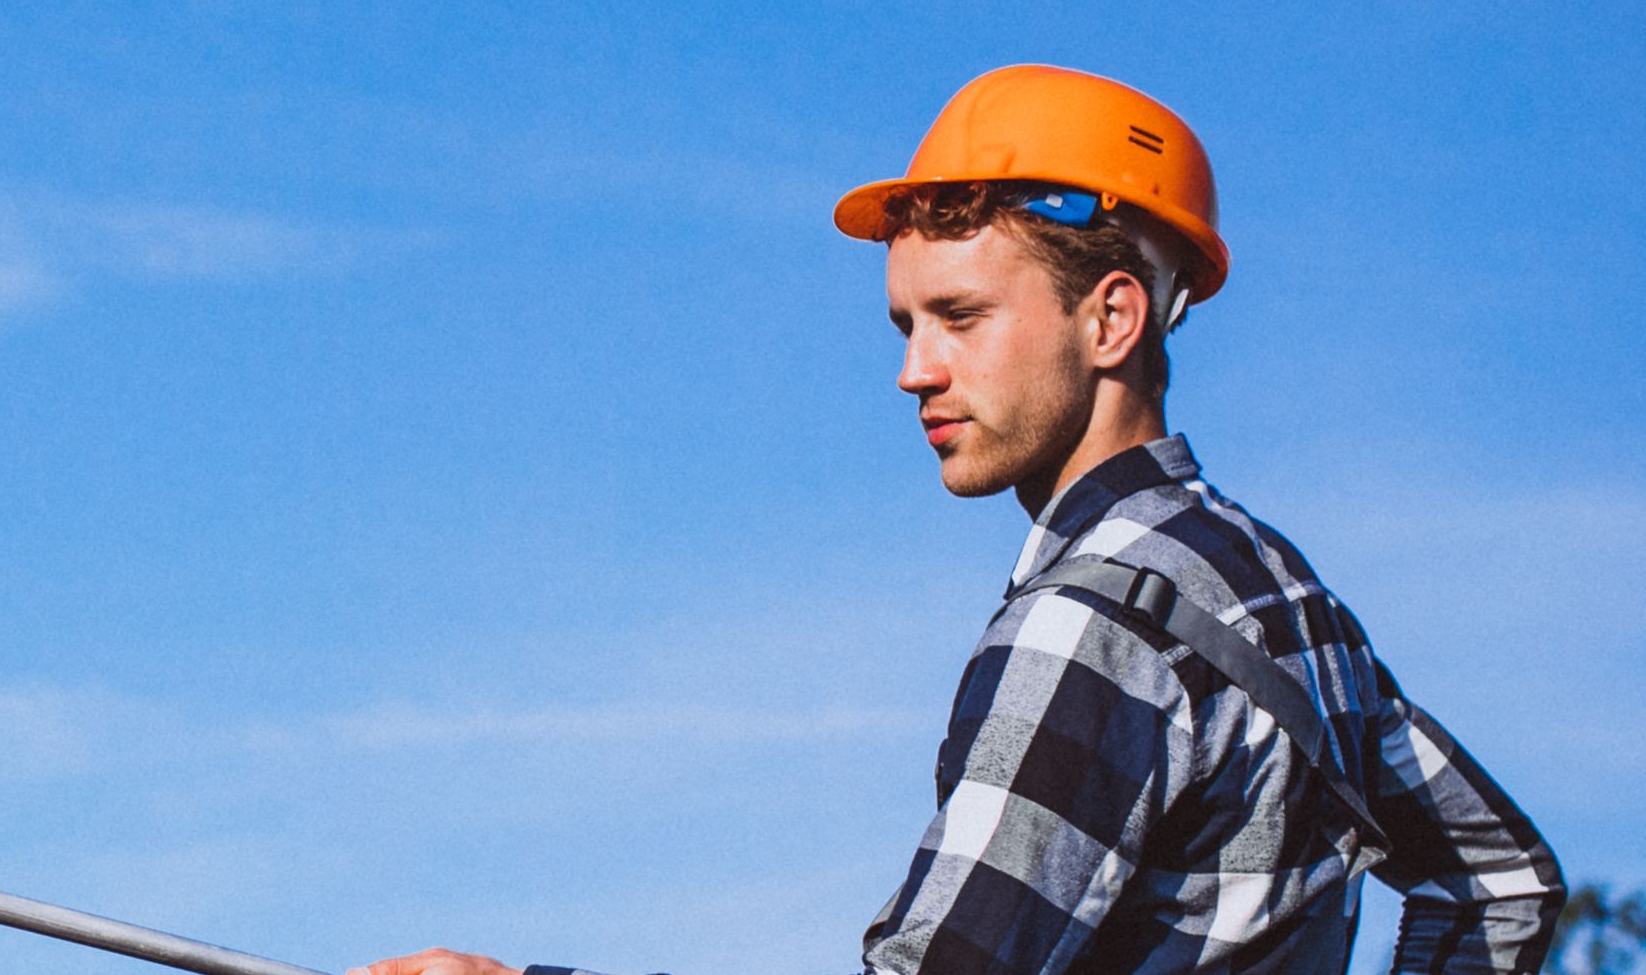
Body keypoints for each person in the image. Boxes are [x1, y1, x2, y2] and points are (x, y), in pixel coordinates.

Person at [354, 65, 1564, 975]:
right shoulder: (1272, 589)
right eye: (904, 325)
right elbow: (1500, 882)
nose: (915, 371)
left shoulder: (1088, 626)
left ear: (1112, 320)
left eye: (962, 317)